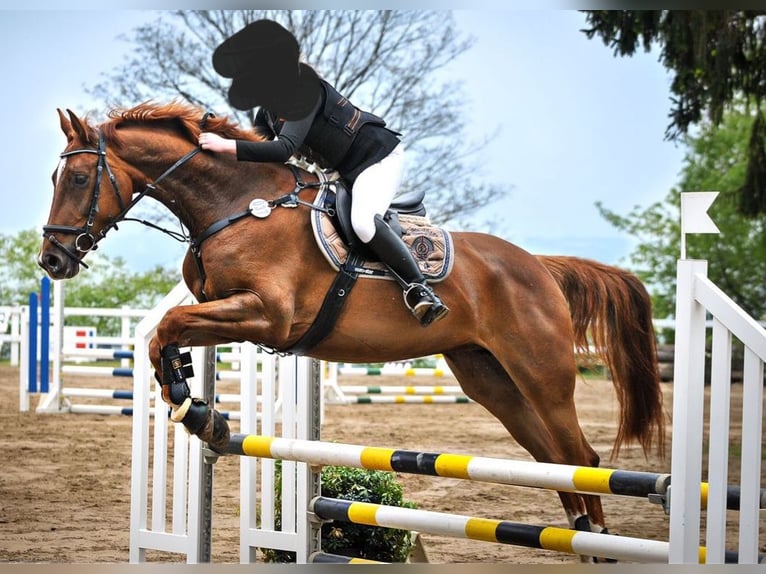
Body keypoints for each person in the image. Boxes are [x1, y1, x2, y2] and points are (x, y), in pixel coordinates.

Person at [200, 19, 449, 326]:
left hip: (377, 158)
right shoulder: (266, 110)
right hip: (342, 173)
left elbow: (283, 149)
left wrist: (225, 146)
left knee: (362, 223)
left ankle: (420, 290)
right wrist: (216, 136)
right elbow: (258, 153)